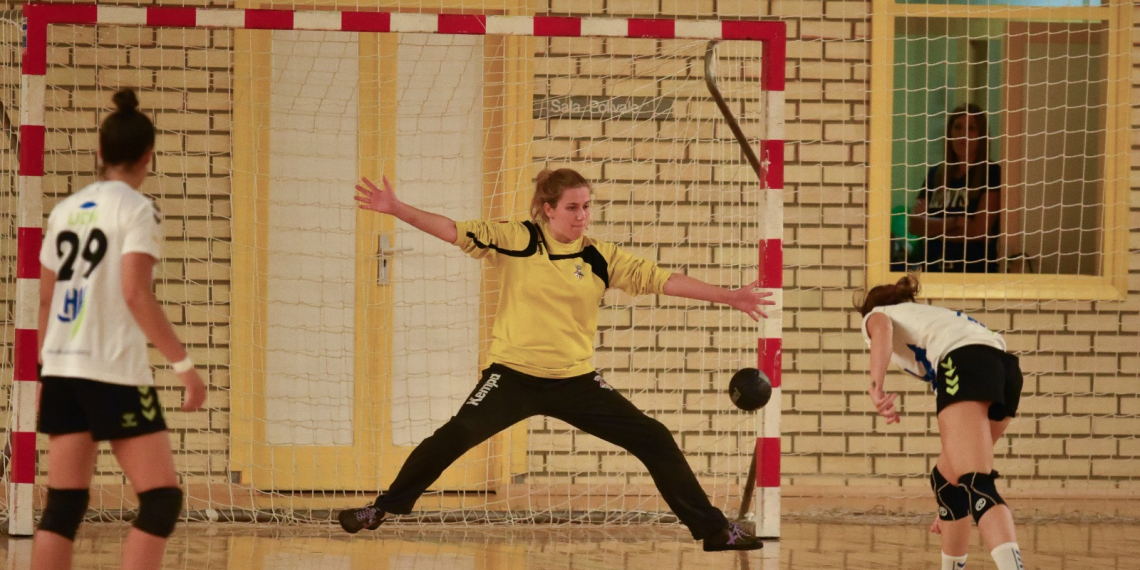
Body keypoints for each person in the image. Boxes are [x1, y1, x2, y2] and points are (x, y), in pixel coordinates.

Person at [337, 168, 773, 552]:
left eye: (587, 206)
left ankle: (714, 532)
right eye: (572, 207)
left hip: (576, 381)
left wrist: (728, 296)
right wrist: (396, 208)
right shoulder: (516, 239)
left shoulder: (601, 256)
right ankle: (382, 509)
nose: (582, 216)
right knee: (456, 434)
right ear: (548, 209)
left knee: (654, 437)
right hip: (512, 377)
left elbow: (661, 280)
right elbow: (453, 229)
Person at [33, 89, 207, 570]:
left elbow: (46, 300)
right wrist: (184, 365)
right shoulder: (136, 209)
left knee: (63, 508)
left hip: (63, 370)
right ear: (148, 157)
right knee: (160, 500)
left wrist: (44, 371)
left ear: (99, 153)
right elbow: (135, 292)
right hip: (113, 375)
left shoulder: (64, 211)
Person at [857, 275, 1025, 570]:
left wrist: (876, 386)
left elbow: (880, 327)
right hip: (1005, 370)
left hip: (963, 362)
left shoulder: (878, 315)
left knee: (977, 484)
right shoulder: (927, 318)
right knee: (948, 483)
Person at [908, 104, 1001, 273]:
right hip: (931, 269)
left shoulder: (991, 173)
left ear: (981, 136)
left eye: (971, 128)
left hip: (973, 272)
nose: (962, 134)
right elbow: (914, 225)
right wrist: (955, 222)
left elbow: (978, 231)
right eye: (957, 127)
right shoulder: (935, 174)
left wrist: (931, 229)